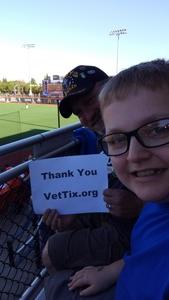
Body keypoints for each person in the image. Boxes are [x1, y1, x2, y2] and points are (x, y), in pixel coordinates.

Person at [68, 59, 169, 299]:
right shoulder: (156, 206)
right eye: (116, 139)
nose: (134, 155)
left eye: (159, 129)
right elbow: (143, 255)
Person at [42, 65, 143, 298]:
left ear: (110, 88)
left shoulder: (141, 133)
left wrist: (139, 205)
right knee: (54, 244)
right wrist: (73, 217)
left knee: (52, 255)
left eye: (89, 101)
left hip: (134, 235)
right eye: (79, 112)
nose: (86, 117)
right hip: (118, 227)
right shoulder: (105, 143)